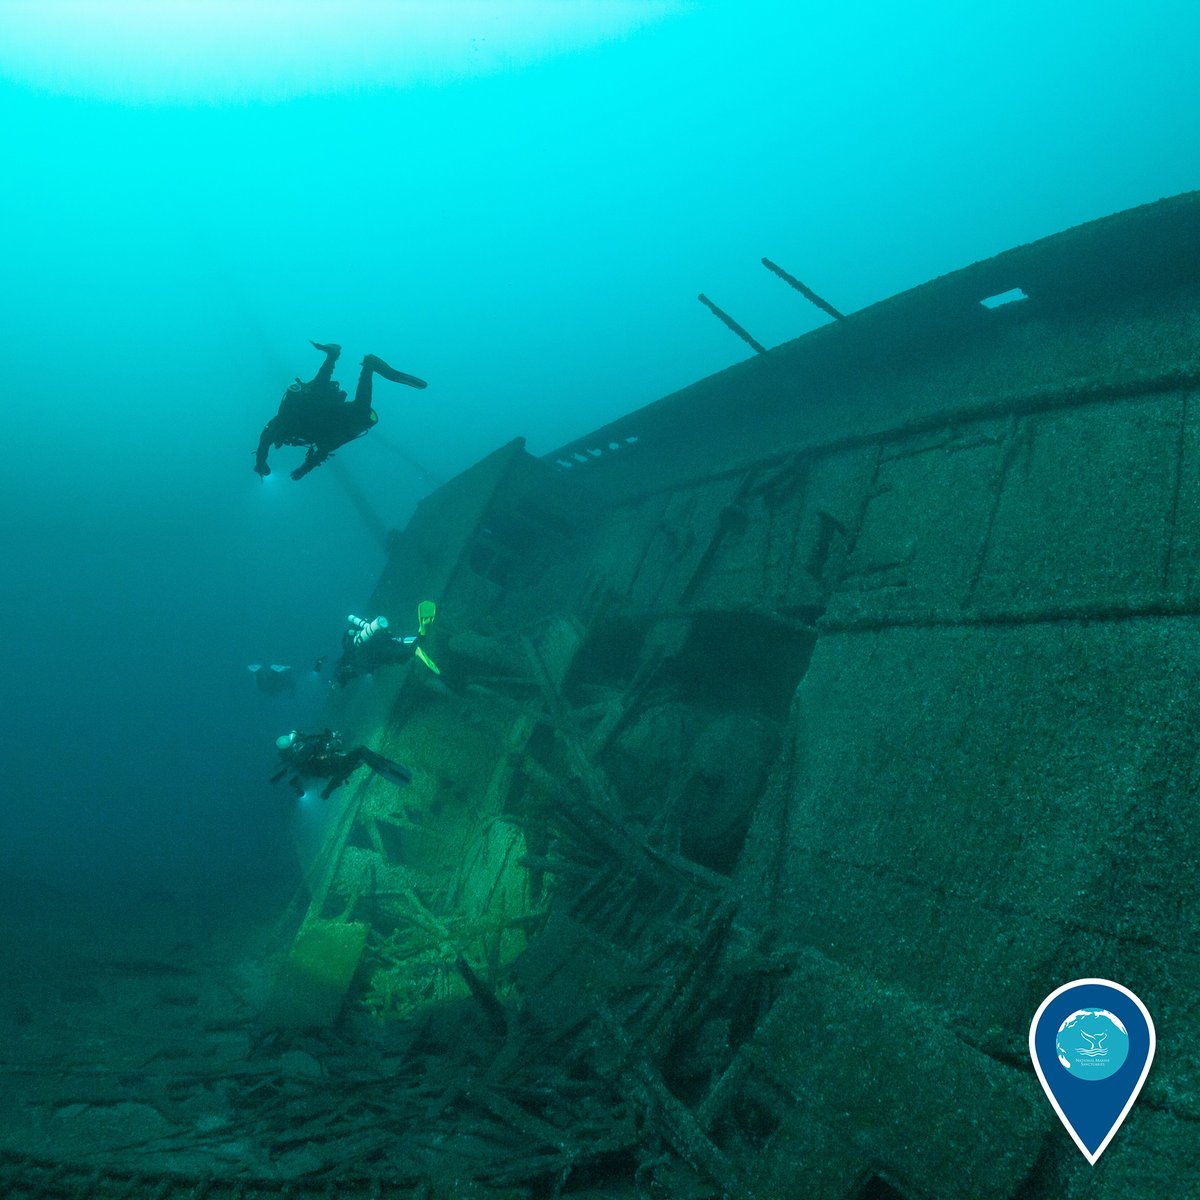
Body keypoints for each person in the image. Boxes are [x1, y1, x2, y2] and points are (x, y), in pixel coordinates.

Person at [254, 341, 427, 480]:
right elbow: (321, 450)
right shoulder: (315, 435)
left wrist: (263, 464)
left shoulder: (282, 423)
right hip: (325, 412)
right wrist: (302, 469)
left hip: (316, 407)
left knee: (316, 398)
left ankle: (340, 358)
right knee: (359, 413)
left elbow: (266, 441)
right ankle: (364, 365)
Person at [270, 729, 412, 799]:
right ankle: (398, 775)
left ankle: (397, 775)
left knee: (358, 757)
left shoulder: (297, 759)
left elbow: (297, 783)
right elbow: (315, 748)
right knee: (360, 751)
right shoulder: (303, 753)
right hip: (338, 767)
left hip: (336, 768)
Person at [334, 601, 440, 687]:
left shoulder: (352, 658)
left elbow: (370, 661)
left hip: (375, 647)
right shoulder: (350, 649)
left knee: (398, 656)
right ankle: (421, 633)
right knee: (397, 642)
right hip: (380, 635)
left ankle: (415, 649)